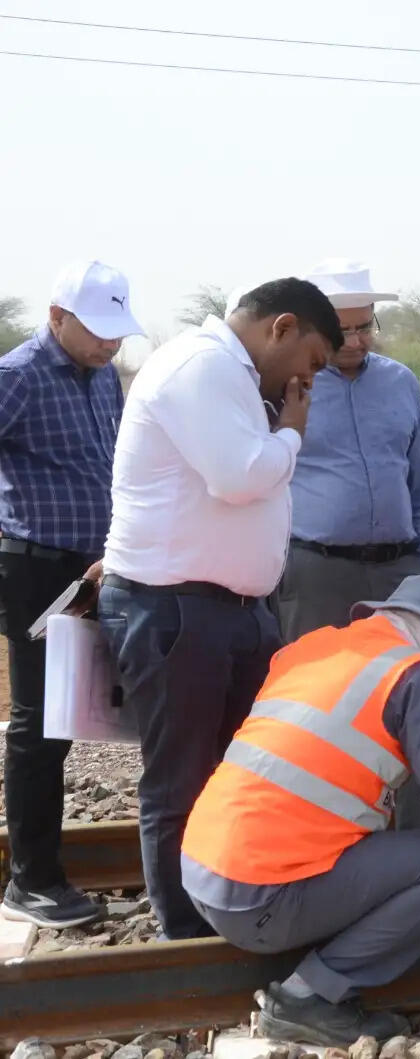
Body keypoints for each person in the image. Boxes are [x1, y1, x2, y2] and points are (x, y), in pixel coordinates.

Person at [182, 575, 420, 1045]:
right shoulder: (418, 673)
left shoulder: (313, 649)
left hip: (201, 873)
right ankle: (309, 998)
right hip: (261, 901)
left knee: (390, 838)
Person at [99, 278, 342, 940]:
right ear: (281, 328)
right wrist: (291, 435)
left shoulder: (236, 378)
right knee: (180, 780)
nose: (309, 381)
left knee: (239, 772)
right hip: (177, 609)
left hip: (228, 611)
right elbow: (238, 476)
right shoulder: (201, 365)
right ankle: (186, 931)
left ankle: (228, 902)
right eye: (313, 361)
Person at [0, 261, 142, 928]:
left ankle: (46, 868)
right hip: (31, 568)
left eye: (118, 332)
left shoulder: (103, 377)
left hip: (90, 570)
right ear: (57, 316)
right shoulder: (18, 376)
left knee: (74, 715)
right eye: (99, 331)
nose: (111, 344)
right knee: (37, 724)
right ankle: (31, 879)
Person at [275, 259, 420, 640]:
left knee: (400, 687)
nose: (354, 341)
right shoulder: (284, 386)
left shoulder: (401, 382)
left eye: (364, 327)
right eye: (341, 329)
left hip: (400, 574)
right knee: (317, 689)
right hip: (314, 578)